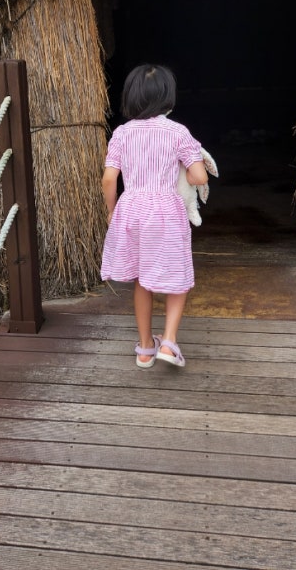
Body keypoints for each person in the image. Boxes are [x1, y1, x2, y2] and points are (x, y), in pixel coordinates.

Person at [100, 63, 209, 368]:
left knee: (141, 279)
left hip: (132, 208)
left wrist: (112, 212)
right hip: (166, 211)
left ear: (131, 97)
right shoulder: (177, 133)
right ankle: (169, 343)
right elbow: (199, 177)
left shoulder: (121, 133)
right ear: (167, 97)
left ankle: (146, 347)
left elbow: (109, 179)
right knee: (178, 278)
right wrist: (187, 172)